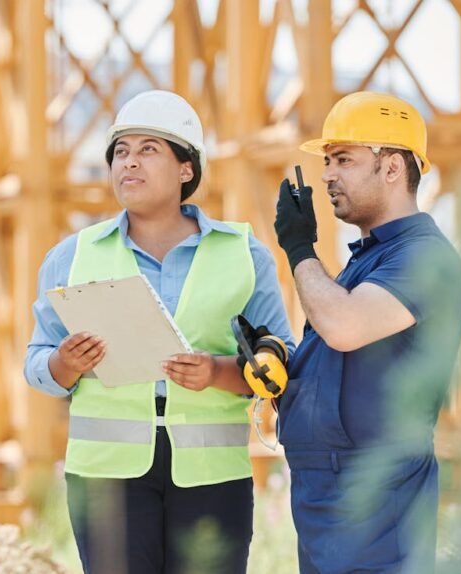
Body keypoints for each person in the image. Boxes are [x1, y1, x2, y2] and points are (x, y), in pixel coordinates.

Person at [24, 90, 294, 574]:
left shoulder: (244, 255)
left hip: (213, 476)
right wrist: (64, 363)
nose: (129, 163)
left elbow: (280, 362)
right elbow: (35, 361)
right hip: (105, 478)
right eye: (121, 152)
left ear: (186, 168)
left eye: (148, 149)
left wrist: (216, 371)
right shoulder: (71, 256)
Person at [272, 91, 461, 573]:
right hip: (328, 502)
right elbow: (337, 357)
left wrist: (299, 248)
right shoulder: (364, 265)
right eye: (326, 161)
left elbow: (344, 325)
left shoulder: (425, 258)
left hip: (378, 507)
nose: (326, 175)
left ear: (392, 168)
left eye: (343, 159)